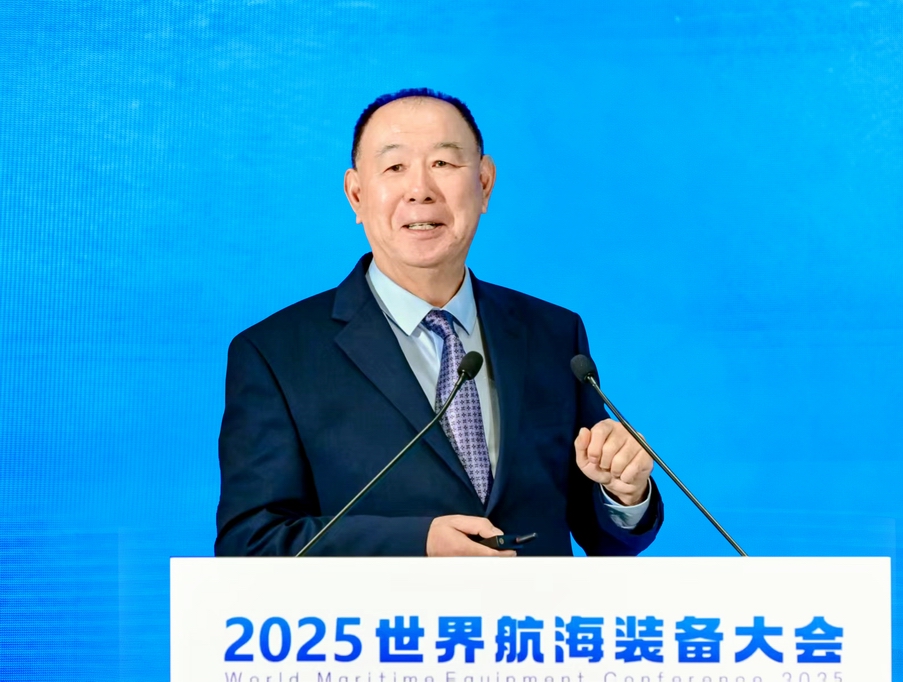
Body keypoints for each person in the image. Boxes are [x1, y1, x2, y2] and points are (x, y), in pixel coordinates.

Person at [215, 88, 663, 557]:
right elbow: (251, 544)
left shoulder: (554, 335)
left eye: (444, 164)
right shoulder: (277, 354)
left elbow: (604, 537)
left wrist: (623, 492)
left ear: (484, 184)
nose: (420, 190)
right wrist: (417, 545)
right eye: (394, 167)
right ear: (357, 195)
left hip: (536, 609)